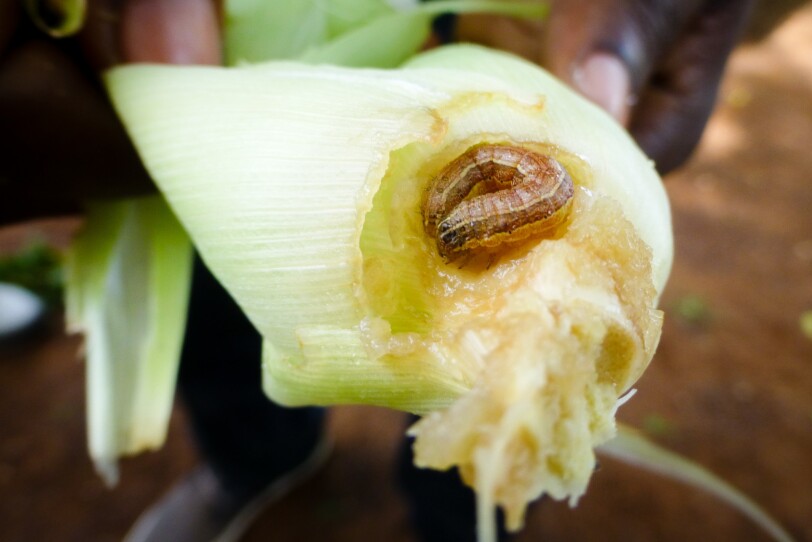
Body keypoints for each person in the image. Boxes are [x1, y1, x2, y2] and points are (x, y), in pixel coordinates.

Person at [0, 0, 754, 540]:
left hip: (477, 29)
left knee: (473, 394)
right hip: (235, 87)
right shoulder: (482, 192)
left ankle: (465, 512)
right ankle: (250, 462)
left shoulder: (516, 187)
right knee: (227, 304)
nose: (460, 226)